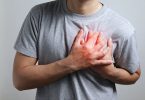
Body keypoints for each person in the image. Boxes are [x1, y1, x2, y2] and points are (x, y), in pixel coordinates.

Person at [13, 0, 141, 100]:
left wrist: (109, 71)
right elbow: (20, 80)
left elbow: (134, 75)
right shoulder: (38, 15)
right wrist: (72, 63)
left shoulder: (122, 28)